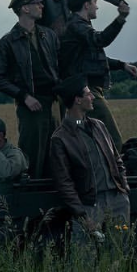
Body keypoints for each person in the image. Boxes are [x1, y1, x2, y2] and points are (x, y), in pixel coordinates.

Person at [50, 75, 130, 245]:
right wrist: (82, 214)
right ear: (78, 100)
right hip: (89, 205)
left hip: (116, 199)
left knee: (119, 251)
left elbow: (117, 160)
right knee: (85, 257)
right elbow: (64, 183)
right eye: (88, 94)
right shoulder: (60, 138)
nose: (93, 97)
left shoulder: (98, 125)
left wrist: (123, 188)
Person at [0, 0, 59, 178]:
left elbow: (58, 67)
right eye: (36, 3)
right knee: (32, 156)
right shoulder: (7, 42)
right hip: (31, 107)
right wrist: (24, 96)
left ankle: (54, 204)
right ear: (25, 8)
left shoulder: (49, 35)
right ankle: (29, 201)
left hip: (54, 103)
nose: (41, 6)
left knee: (55, 153)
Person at [59, 0, 136, 151]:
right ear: (86, 5)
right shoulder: (77, 26)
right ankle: (117, 174)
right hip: (87, 90)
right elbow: (100, 40)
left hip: (87, 89)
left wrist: (122, 65)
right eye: (95, 2)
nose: (97, 6)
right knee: (111, 138)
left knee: (94, 137)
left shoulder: (80, 26)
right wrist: (121, 18)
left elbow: (93, 58)